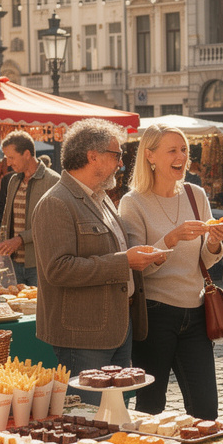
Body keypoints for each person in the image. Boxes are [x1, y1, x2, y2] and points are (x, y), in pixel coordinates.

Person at [34, 118, 168, 406]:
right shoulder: (56, 202)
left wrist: (141, 254)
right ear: (92, 156)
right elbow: (58, 269)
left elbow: (114, 248)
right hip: (83, 335)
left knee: (115, 413)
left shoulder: (102, 197)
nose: (121, 163)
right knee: (88, 419)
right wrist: (124, 262)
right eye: (117, 155)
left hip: (116, 327)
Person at [119, 123, 223, 419]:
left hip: (196, 312)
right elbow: (136, 270)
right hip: (154, 315)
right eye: (173, 150)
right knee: (150, 407)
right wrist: (171, 239)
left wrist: (215, 244)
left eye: (184, 150)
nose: (181, 156)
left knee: (206, 408)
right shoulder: (133, 203)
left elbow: (205, 258)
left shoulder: (195, 194)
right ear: (150, 156)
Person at [0, 131, 60, 286]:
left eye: (11, 157)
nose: (8, 163)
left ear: (27, 154)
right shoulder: (13, 181)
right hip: (13, 263)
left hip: (39, 264)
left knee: (39, 310)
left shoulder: (53, 181)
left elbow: (53, 225)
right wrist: (2, 242)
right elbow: (6, 218)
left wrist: (20, 239)